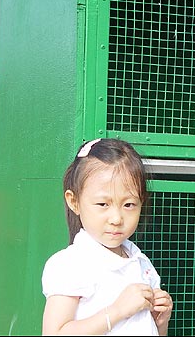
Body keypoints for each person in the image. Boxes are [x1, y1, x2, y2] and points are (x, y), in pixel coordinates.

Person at [41, 138, 173, 335]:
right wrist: (118, 311)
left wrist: (160, 322)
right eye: (103, 204)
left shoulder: (142, 263)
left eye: (129, 205)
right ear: (74, 201)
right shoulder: (69, 264)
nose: (117, 218)